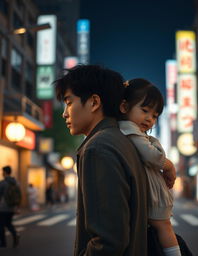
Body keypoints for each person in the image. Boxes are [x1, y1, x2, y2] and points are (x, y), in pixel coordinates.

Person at [54, 64, 149, 255]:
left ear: (94, 102)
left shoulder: (98, 148)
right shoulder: (122, 142)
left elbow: (108, 242)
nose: (64, 113)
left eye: (69, 102)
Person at [119, 78, 181, 256]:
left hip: (153, 193)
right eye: (144, 110)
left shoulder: (133, 131)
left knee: (163, 227)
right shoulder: (129, 129)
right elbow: (151, 155)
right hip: (153, 194)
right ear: (124, 107)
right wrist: (168, 165)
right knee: (164, 227)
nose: (149, 119)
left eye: (154, 115)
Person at [0, 166, 20, 248]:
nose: (2, 173)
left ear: (5, 172)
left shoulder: (3, 183)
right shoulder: (15, 182)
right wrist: (17, 206)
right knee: (8, 223)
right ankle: (15, 235)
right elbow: (18, 195)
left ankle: (3, 243)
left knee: (1, 225)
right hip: (12, 207)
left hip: (3, 207)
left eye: (2, 171)